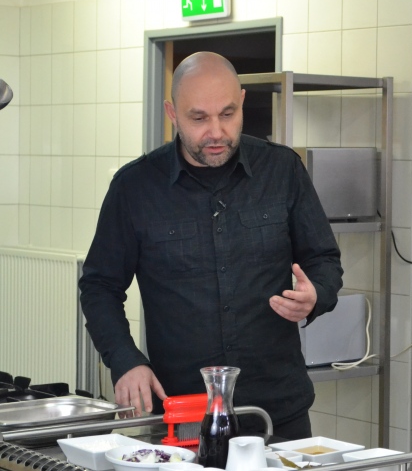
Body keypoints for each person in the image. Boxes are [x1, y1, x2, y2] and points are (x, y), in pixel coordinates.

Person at [79, 51, 343, 440]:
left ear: (242, 101)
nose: (216, 132)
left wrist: (316, 294)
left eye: (228, 114)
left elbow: (324, 259)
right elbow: (99, 286)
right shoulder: (135, 187)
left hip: (278, 409)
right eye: (199, 118)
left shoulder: (282, 170)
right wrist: (125, 361)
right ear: (172, 113)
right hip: (183, 413)